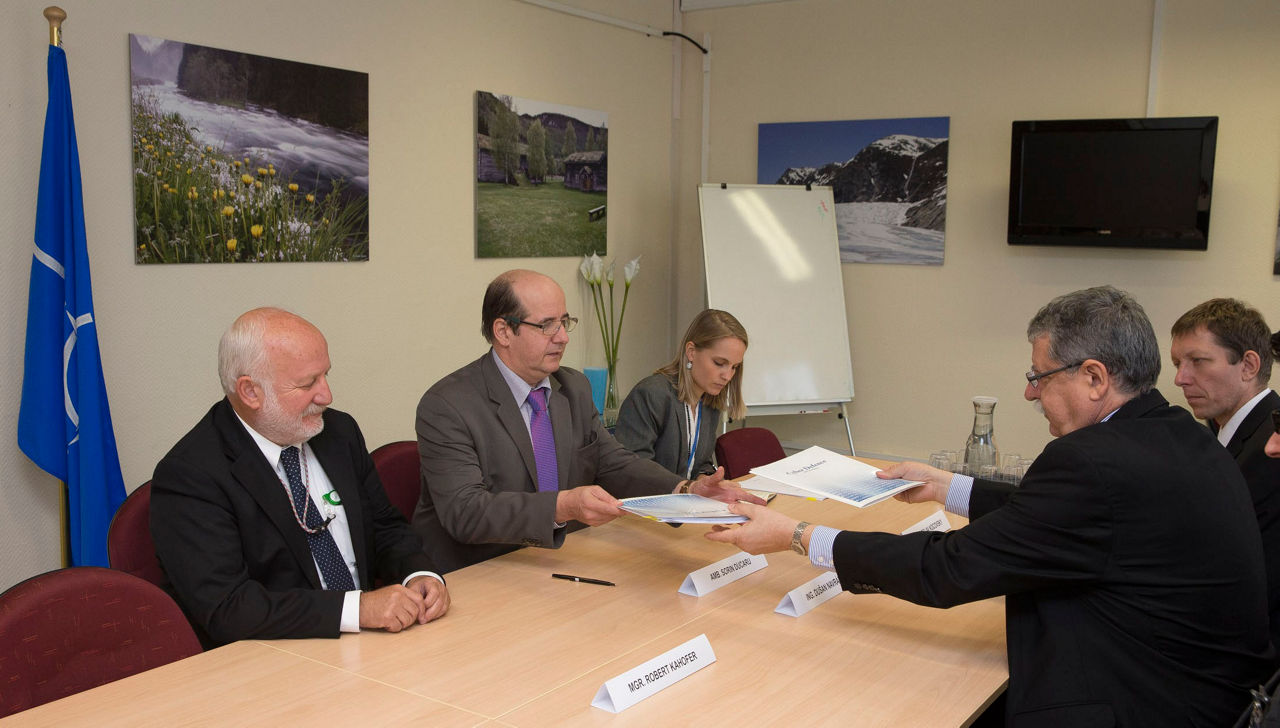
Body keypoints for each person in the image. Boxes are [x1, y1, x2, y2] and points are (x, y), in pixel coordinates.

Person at [705, 286, 1271, 727]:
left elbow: (946, 569)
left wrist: (799, 535)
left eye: (1039, 377)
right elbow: (1059, 516)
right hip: (1204, 694)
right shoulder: (1172, 432)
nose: (1028, 393)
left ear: (1095, 378)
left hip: (1137, 704)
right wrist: (946, 486)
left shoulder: (1094, 463)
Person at [414, 270, 763, 573]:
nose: (563, 337)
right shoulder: (447, 406)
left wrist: (686, 490)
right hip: (481, 570)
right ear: (504, 332)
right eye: (547, 325)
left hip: (565, 561)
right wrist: (562, 506)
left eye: (564, 322)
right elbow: (466, 512)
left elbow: (614, 463)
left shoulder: (572, 387)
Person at [151, 308, 449, 648]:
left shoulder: (339, 432)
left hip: (371, 643)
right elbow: (228, 607)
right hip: (272, 658)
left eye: (325, 375)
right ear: (250, 392)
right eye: (308, 383)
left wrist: (419, 574)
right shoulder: (191, 476)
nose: (326, 395)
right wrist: (356, 609)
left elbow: (384, 526)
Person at [1171, 298, 1280, 659]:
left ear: (1249, 365)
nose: (1180, 378)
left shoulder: (1272, 448)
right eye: (1177, 364)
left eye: (1198, 362)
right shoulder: (1217, 436)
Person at [615, 309, 748, 479]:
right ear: (691, 352)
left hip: (687, 502)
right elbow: (634, 471)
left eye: (734, 367)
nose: (728, 376)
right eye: (719, 363)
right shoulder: (651, 394)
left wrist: (706, 481)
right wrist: (688, 488)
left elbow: (701, 463)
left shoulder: (709, 402)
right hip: (651, 502)